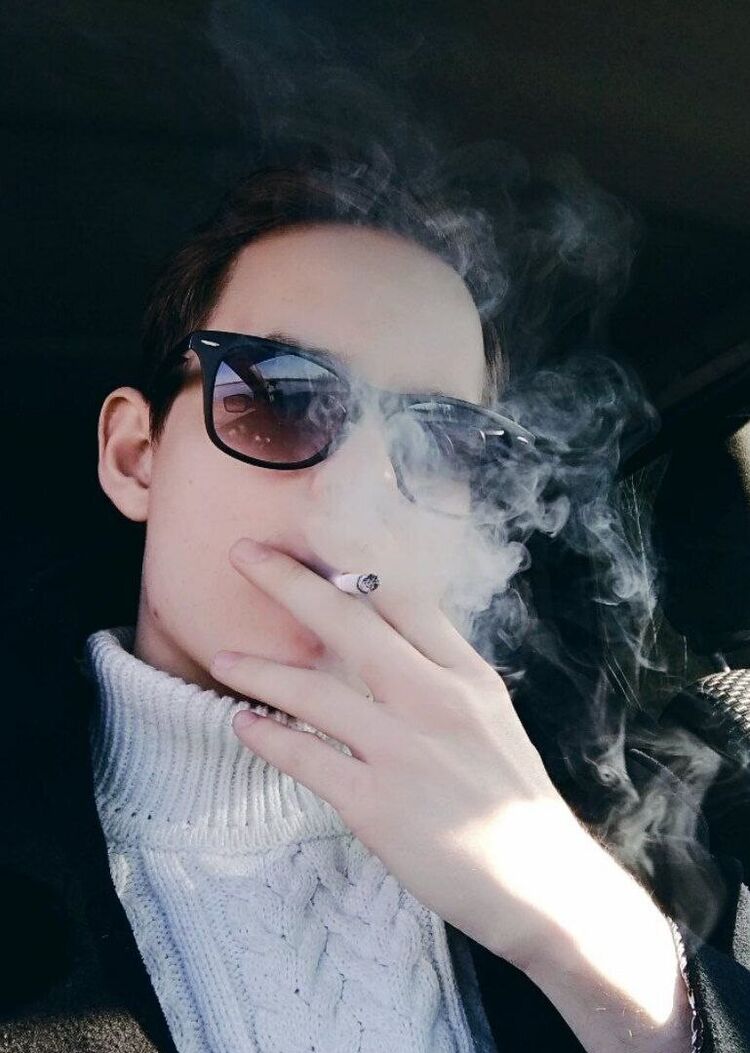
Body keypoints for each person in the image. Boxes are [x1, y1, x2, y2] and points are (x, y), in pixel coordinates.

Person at [1, 161, 748, 1053]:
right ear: (136, 456)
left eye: (444, 441)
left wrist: (581, 929)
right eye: (278, 398)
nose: (365, 487)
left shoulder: (638, 831)